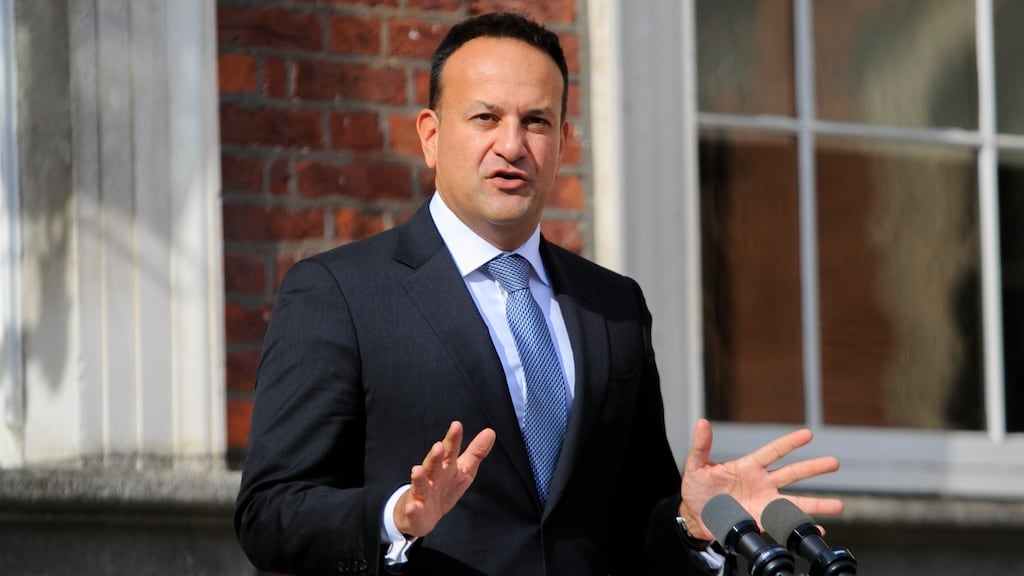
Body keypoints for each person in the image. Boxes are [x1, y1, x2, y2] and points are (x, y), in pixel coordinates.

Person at [234, 11, 844, 576]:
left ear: (561, 142)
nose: (512, 144)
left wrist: (693, 520)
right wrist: (396, 516)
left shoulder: (613, 308)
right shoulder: (339, 292)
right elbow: (270, 512)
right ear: (430, 134)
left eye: (536, 121)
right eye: (485, 117)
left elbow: (629, 526)